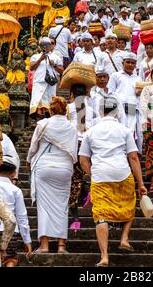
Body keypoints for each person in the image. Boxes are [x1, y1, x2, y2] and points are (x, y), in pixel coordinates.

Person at [79, 96, 147, 267]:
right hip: (122, 173)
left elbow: (83, 160)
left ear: (100, 111)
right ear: (117, 111)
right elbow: (133, 157)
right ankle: (124, 238)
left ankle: (104, 256)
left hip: (100, 174)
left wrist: (92, 173)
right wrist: (141, 184)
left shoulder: (90, 131)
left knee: (101, 215)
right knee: (129, 204)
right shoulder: (124, 130)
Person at [27, 97, 78, 254]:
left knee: (44, 208)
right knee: (62, 206)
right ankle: (61, 246)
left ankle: (44, 246)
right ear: (65, 110)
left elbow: (33, 147)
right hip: (64, 168)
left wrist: (29, 161)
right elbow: (74, 152)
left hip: (44, 167)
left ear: (51, 110)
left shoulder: (43, 124)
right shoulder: (71, 127)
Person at [0, 155, 32, 266]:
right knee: (10, 259)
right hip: (11, 231)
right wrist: (27, 240)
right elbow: (22, 216)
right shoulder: (16, 190)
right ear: (14, 174)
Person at [67, 84, 96, 230]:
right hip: (88, 145)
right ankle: (87, 190)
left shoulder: (69, 108)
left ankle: (75, 218)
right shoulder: (90, 110)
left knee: (73, 180)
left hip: (74, 145)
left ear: (72, 93)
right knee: (85, 173)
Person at [108, 52, 143, 153]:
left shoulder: (138, 78)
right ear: (123, 63)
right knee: (120, 131)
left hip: (133, 108)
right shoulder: (115, 76)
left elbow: (139, 95)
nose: (130, 65)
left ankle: (132, 154)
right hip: (119, 108)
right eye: (128, 62)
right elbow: (111, 93)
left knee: (131, 131)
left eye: (133, 63)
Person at [29, 37, 64, 119]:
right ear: (40, 46)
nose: (45, 47)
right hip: (38, 83)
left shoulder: (56, 57)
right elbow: (31, 68)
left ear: (50, 46)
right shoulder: (35, 56)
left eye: (47, 44)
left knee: (50, 104)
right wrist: (40, 59)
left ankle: (49, 121)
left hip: (50, 84)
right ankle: (39, 123)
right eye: (42, 45)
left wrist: (54, 65)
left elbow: (62, 71)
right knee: (38, 105)